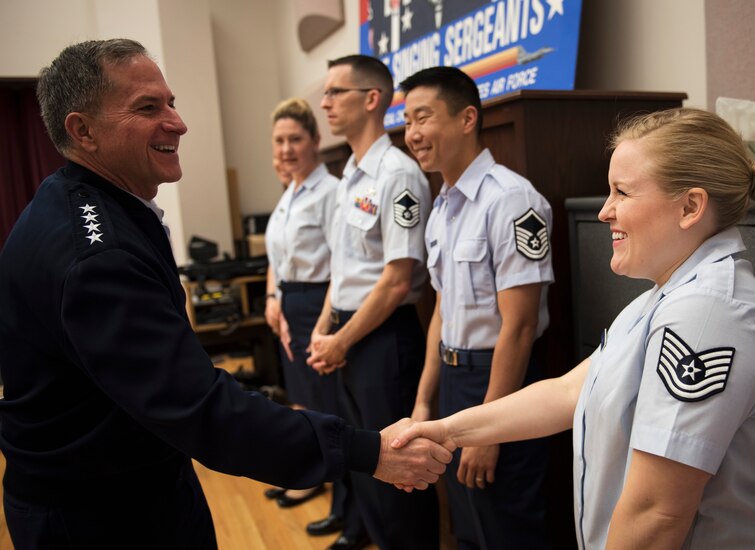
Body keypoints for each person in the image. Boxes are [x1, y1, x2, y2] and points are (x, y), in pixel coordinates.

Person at [0, 39, 452, 550]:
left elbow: (389, 274)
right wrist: (366, 451)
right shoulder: (96, 255)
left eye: (170, 102)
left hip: (131, 480)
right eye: (149, 108)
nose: (178, 122)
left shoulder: (82, 205)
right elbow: (200, 409)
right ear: (82, 131)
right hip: (102, 513)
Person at [393, 107, 755, 548]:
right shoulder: (664, 298)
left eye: (622, 192)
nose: (604, 212)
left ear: (690, 206)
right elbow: (566, 392)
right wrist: (447, 432)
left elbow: (655, 514)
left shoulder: (708, 317)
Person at [399, 66, 554, 549]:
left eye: (423, 117)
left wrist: (491, 430)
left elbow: (521, 325)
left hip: (502, 381)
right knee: (466, 522)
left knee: (508, 524)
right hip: (454, 377)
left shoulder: (511, 199)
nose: (413, 134)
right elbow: (442, 313)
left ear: (467, 118)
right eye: (406, 121)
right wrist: (425, 401)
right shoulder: (443, 205)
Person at [307, 54, 437, 550]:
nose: (325, 103)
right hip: (348, 333)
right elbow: (343, 269)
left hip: (382, 337)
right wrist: (325, 330)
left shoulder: (397, 174)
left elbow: (397, 280)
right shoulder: (350, 176)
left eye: (336, 92)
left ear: (371, 99)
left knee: (398, 470)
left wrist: (341, 338)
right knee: (362, 460)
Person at [262, 98, 364, 541]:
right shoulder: (290, 193)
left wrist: (320, 321)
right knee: (311, 411)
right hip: (290, 306)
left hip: (321, 307)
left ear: (315, 142)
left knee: (334, 418)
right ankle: (335, 500)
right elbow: (277, 258)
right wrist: (272, 296)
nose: (286, 149)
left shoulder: (330, 193)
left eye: (295, 139)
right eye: (279, 141)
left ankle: (352, 516)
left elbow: (341, 263)